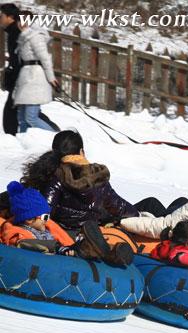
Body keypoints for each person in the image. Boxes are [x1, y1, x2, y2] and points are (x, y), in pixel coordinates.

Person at [20, 129, 140, 230]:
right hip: (89, 233)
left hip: (68, 230)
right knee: (150, 203)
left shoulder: (50, 173)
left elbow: (44, 208)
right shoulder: (96, 176)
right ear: (81, 152)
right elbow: (120, 207)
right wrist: (138, 215)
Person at [2, 181, 133, 266]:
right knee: (77, 253)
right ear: (29, 219)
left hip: (63, 253)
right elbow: (28, 244)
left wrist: (76, 239)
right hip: (46, 262)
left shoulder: (43, 228)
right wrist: (59, 248)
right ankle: (87, 249)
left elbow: (61, 235)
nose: (48, 220)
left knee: (79, 247)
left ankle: (104, 251)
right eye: (45, 216)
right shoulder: (17, 233)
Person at [0, 4, 57, 134]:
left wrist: (51, 78)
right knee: (23, 116)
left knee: (29, 116)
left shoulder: (28, 35)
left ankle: (55, 136)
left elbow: (43, 58)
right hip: (23, 78)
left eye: (1, 15)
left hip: (30, 79)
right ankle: (22, 140)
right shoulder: (18, 33)